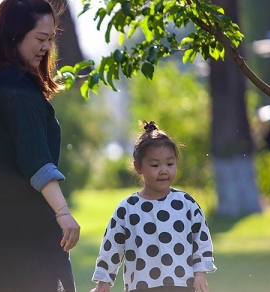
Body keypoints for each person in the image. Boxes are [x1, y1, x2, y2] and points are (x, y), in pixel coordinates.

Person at [0, 0, 80, 292]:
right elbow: (36, 160)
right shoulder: (14, 84)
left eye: (51, 38)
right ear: (14, 34)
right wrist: (63, 213)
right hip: (22, 235)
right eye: (40, 38)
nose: (47, 47)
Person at [90, 121, 216, 292]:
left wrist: (200, 273)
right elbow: (111, 247)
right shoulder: (128, 208)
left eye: (170, 164)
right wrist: (103, 282)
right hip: (142, 287)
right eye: (155, 165)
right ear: (138, 167)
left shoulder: (186, 203)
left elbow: (201, 240)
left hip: (181, 286)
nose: (164, 170)